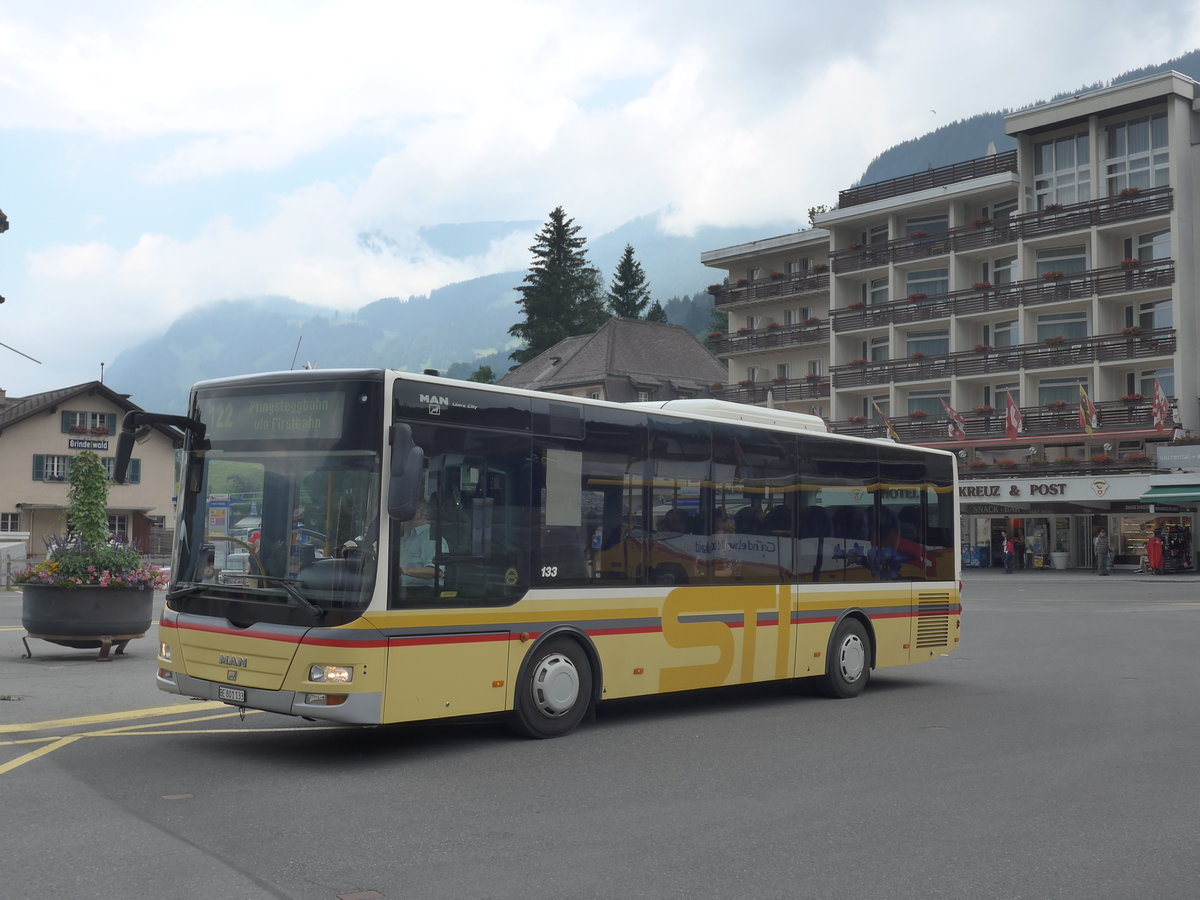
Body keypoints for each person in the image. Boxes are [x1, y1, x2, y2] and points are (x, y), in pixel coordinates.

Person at [398, 501, 447, 593]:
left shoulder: (430, 537)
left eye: (412, 510)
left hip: (424, 590)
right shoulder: (408, 534)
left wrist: (406, 571)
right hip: (403, 587)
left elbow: (436, 571)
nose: (407, 513)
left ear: (424, 514)